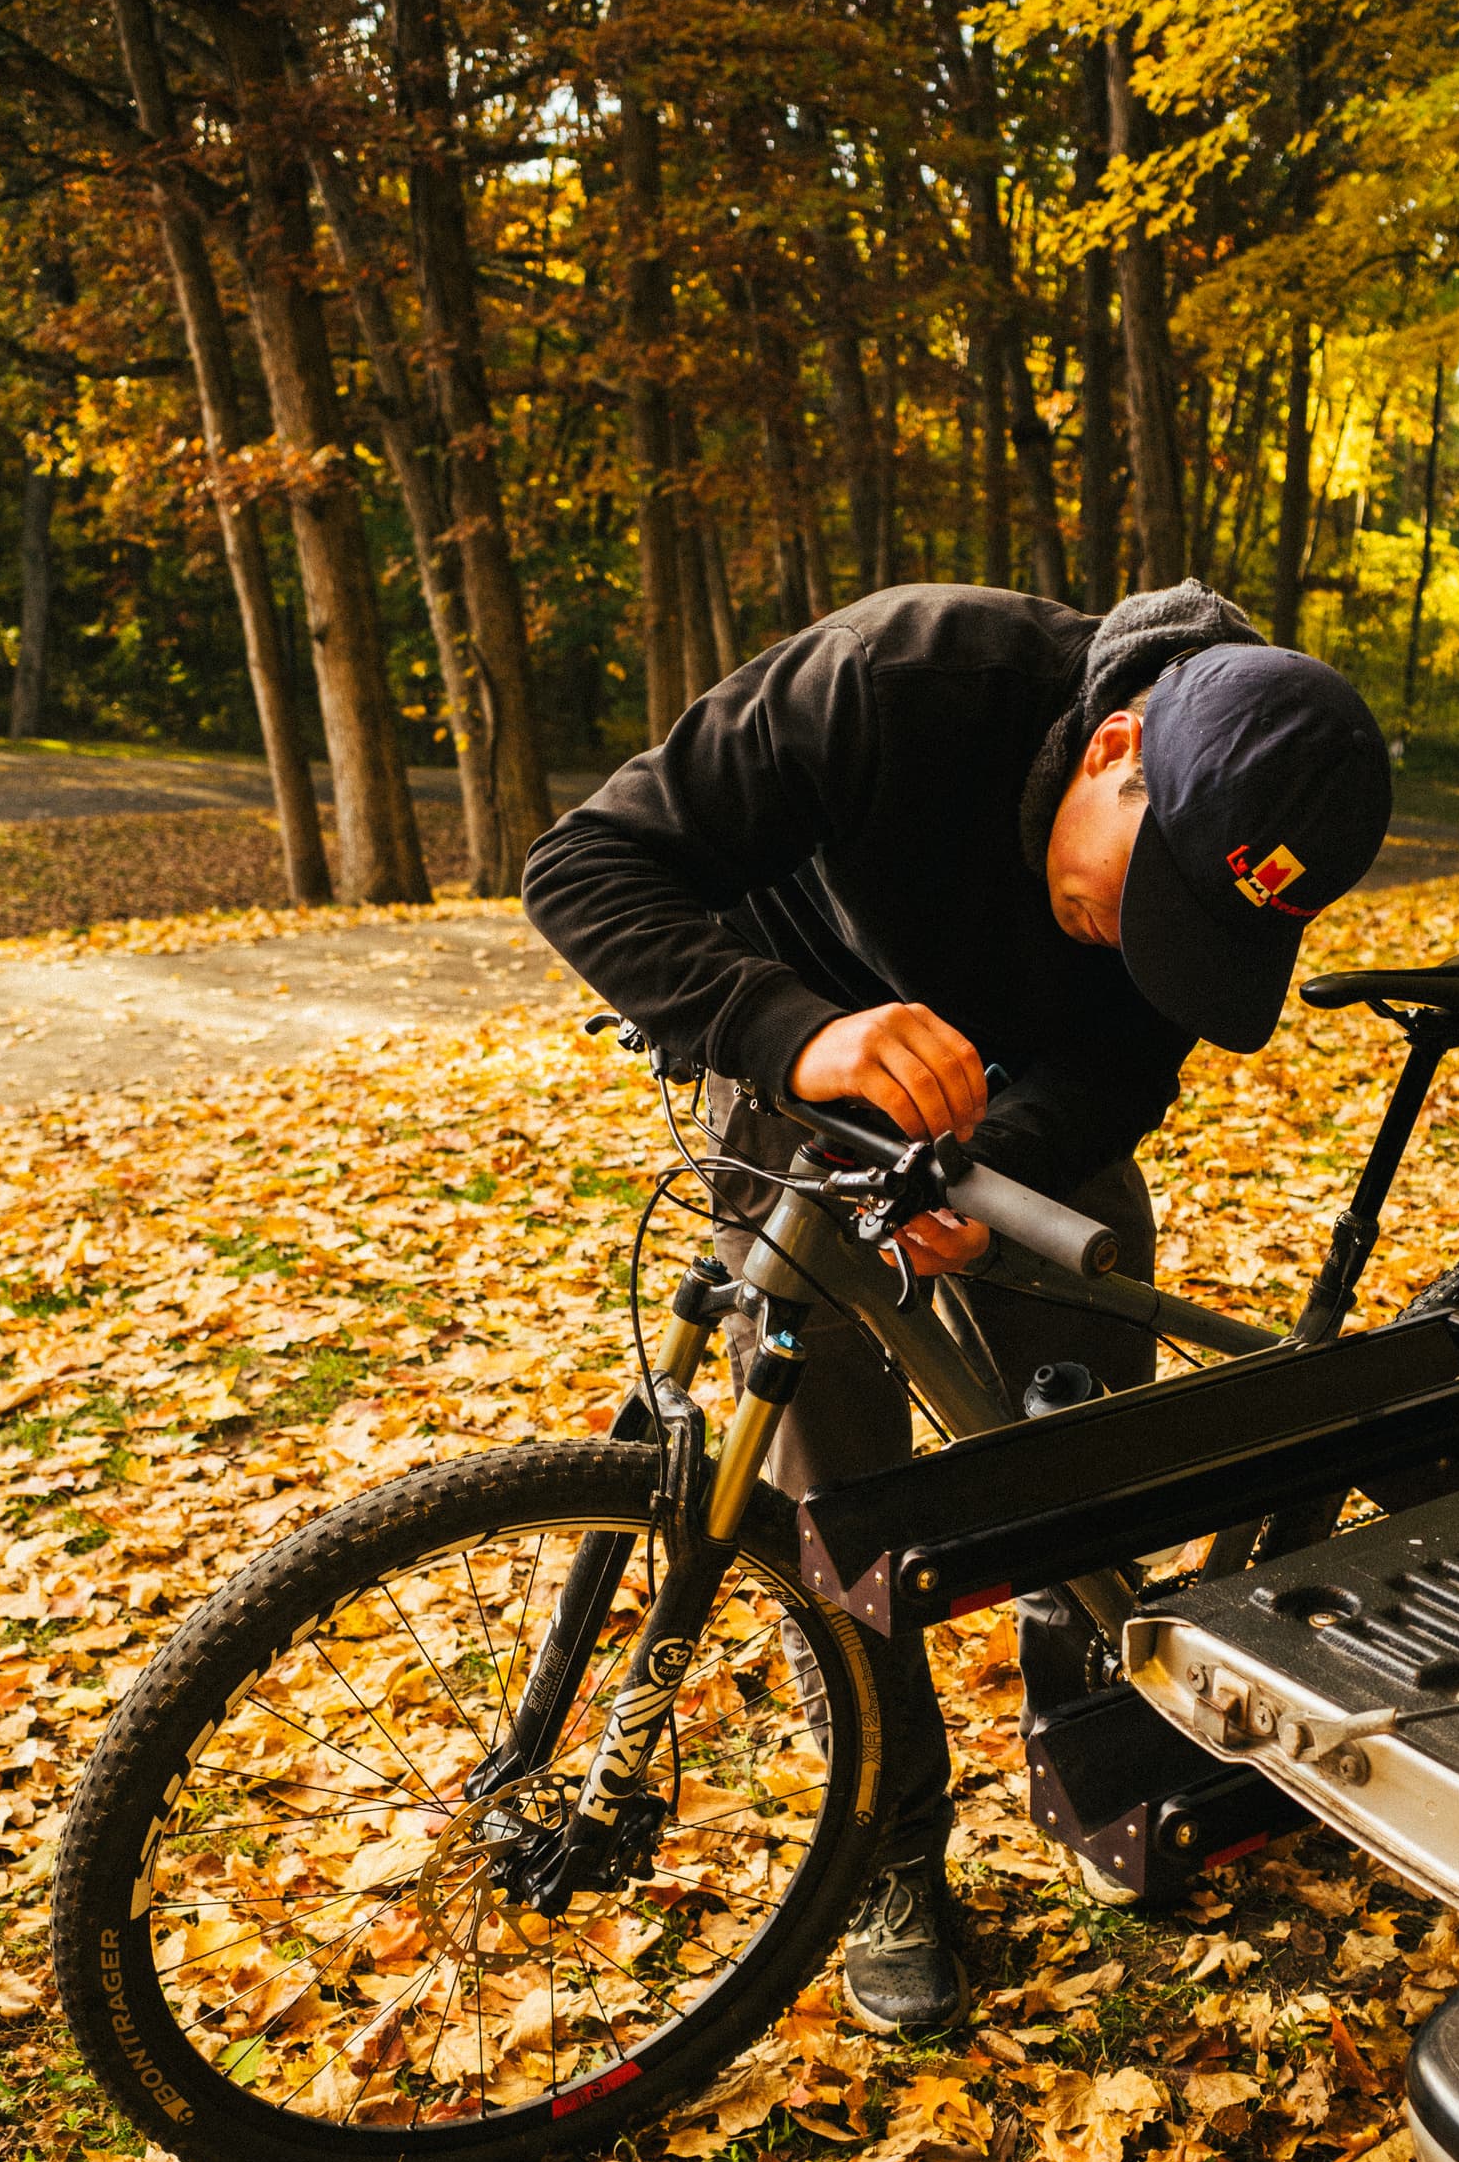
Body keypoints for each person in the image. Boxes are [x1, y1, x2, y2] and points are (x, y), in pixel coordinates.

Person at [523, 579, 1392, 2035]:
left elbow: (1129, 1059)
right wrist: (797, 1033)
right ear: (1115, 746)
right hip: (801, 1050)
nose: (1140, 941)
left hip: (1029, 1112)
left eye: (1190, 930)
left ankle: (1095, 1727)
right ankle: (893, 1851)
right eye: (1146, 894)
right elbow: (587, 863)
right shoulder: (900, 680)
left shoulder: (1207, 857)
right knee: (832, 1490)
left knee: (1082, 1425)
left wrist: (1002, 1160)